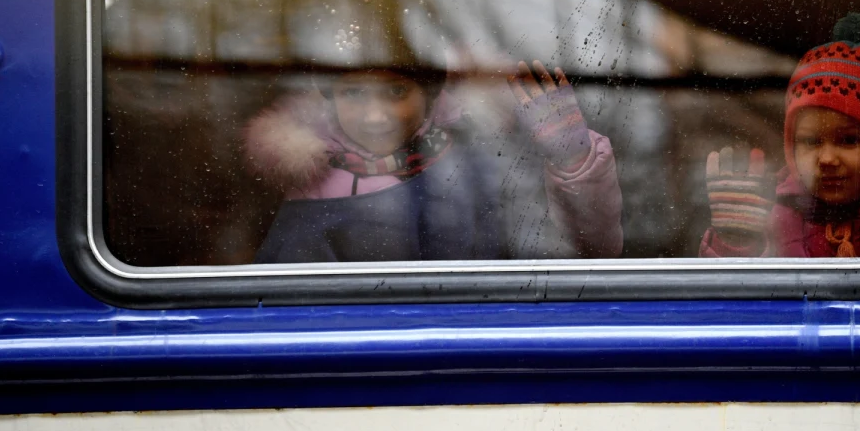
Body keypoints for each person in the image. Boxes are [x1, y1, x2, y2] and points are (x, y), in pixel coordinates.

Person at [245, 56, 624, 263]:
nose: (376, 117)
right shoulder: (307, 179)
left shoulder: (476, 162)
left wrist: (575, 162)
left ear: (428, 93)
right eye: (354, 93)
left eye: (396, 91)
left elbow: (592, 255)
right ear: (329, 98)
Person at [698, 13, 860, 258]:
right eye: (810, 141)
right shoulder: (774, 218)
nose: (827, 159)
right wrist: (736, 240)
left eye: (849, 140)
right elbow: (740, 291)